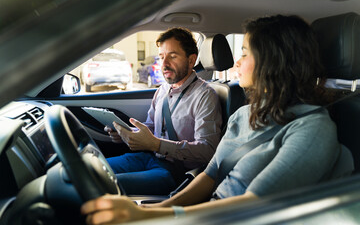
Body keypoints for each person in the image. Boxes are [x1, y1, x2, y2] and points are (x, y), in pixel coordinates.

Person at [81, 15, 354, 224]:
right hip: (208, 210)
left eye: (245, 52)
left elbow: (254, 204)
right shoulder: (245, 114)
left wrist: (155, 217)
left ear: (274, 61)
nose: (237, 60)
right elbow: (210, 175)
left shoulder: (313, 128)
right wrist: (157, 210)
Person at [105, 27, 222, 195]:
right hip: (149, 158)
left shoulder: (205, 95)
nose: (164, 64)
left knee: (108, 184)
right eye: (161, 57)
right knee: (94, 168)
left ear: (191, 61)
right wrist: (128, 134)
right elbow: (151, 127)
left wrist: (157, 145)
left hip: (175, 172)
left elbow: (207, 151)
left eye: (172, 56)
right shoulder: (162, 90)